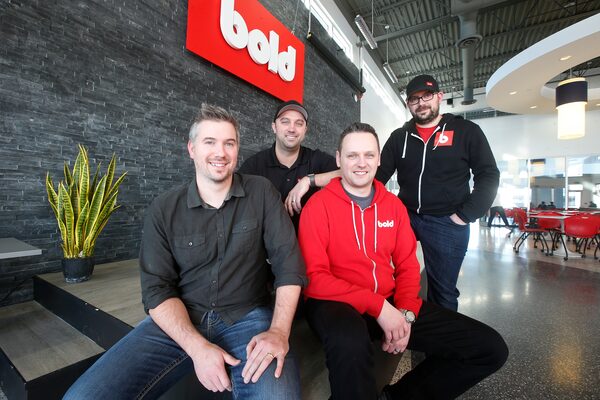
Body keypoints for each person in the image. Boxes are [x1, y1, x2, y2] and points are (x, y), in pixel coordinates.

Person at [64, 104, 307, 400]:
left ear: (237, 149)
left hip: (248, 318)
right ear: (191, 149)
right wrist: (197, 347)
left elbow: (288, 264)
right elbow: (156, 290)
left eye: (229, 143)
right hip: (181, 319)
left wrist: (279, 331)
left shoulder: (262, 192)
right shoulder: (164, 209)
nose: (220, 152)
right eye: (210, 142)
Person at [298, 123, 508, 400]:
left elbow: (408, 265)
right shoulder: (318, 205)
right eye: (352, 155)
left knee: (489, 349)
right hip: (334, 303)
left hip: (389, 300)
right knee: (349, 343)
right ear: (339, 159)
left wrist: (406, 313)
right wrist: (379, 307)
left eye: (369, 155)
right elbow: (314, 279)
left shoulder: (393, 206)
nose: (361, 163)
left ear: (379, 159)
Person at [376, 75, 499, 311]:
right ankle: (394, 321)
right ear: (408, 104)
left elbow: (489, 175)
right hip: (406, 217)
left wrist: (464, 216)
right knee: (386, 275)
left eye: (427, 96)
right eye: (414, 99)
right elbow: (377, 177)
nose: (421, 103)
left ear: (439, 96)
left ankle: (440, 335)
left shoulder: (466, 131)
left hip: (447, 221)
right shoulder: (399, 137)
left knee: (442, 293)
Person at [239, 100, 339, 230]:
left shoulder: (315, 158)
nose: (292, 129)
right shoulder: (255, 165)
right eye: (285, 122)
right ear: (274, 127)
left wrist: (309, 180)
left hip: (307, 239)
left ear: (305, 130)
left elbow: (349, 173)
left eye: (299, 123)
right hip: (267, 240)